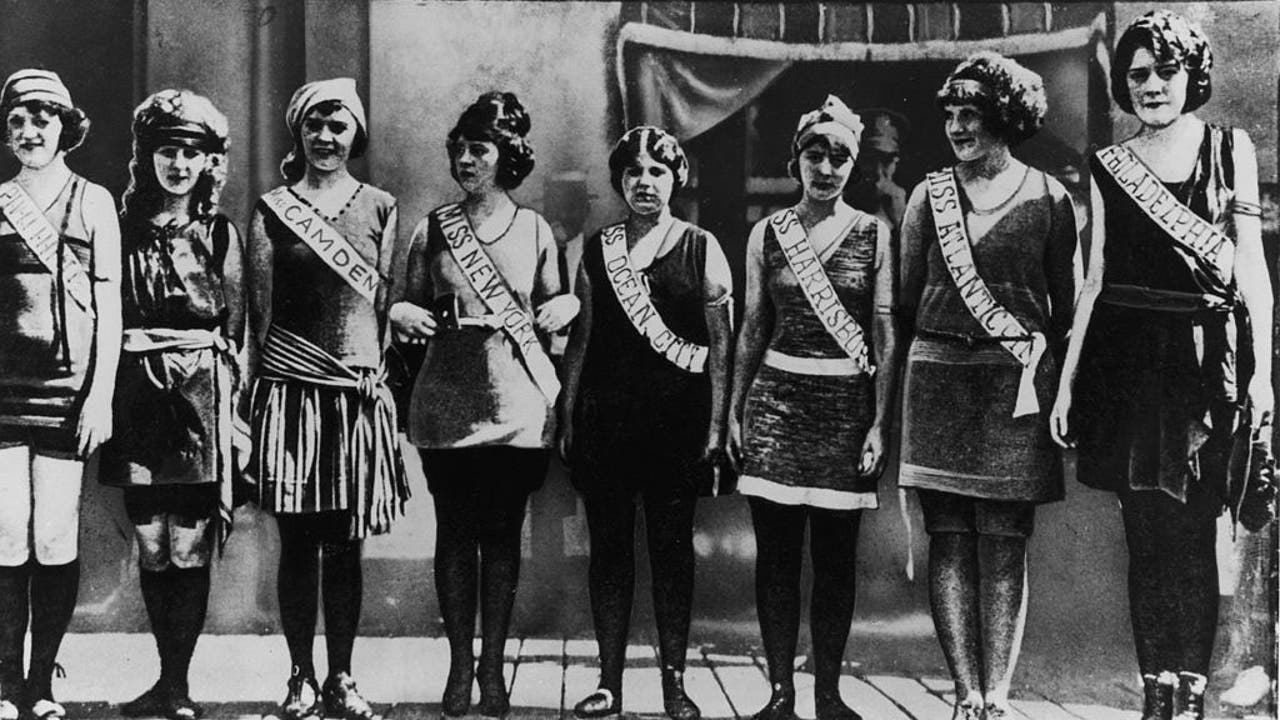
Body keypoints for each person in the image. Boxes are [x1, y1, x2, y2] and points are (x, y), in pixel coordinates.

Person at [1049, 11, 1273, 720]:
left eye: (1166, 71)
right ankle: (1156, 690)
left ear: (1191, 75)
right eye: (1138, 73)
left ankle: (1192, 690)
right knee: (1145, 537)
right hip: (1126, 364)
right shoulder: (1109, 165)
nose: (1151, 85)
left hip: (1204, 362)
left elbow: (1251, 269)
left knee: (1196, 533)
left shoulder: (1231, 149)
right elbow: (1094, 280)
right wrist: (1069, 380)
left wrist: (1263, 375)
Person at [896, 53, 1076, 720]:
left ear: (1005, 117)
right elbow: (908, 298)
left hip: (1015, 384)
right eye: (949, 114)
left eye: (970, 113)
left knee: (1004, 540)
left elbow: (1064, 309)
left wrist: (1054, 388)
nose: (957, 127)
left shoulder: (1050, 199)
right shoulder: (928, 197)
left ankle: (996, 694)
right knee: (948, 536)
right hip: (939, 377)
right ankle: (964, 692)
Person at [392, 91, 577, 718]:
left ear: (507, 156)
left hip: (516, 405)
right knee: (453, 535)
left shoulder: (535, 230)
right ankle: (459, 668)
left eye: (481, 149)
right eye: (460, 149)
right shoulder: (432, 228)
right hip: (447, 402)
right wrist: (403, 314)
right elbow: (405, 305)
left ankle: (493, 669)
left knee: (500, 538)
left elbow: (553, 313)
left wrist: (566, 306)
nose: (467, 160)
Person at [728, 95, 899, 720]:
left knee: (834, 563)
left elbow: (884, 333)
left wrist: (879, 422)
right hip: (776, 405)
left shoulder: (874, 233)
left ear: (854, 165)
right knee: (776, 560)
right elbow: (752, 325)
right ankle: (780, 695)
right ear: (795, 159)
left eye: (839, 157)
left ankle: (828, 694)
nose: (826, 168)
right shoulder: (767, 233)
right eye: (814, 155)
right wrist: (734, 410)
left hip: (845, 412)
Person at [245, 78, 409, 720]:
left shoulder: (381, 207)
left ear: (355, 135)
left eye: (338, 127)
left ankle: (341, 676)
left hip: (352, 398)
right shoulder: (271, 210)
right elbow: (258, 315)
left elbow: (385, 306)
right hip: (290, 393)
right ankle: (300, 678)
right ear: (298, 131)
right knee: (297, 543)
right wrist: (253, 397)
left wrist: (375, 371)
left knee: (344, 544)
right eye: (314, 125)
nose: (325, 137)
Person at [558, 126, 733, 720]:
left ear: (676, 179)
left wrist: (718, 425)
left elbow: (721, 346)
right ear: (619, 182)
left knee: (671, 553)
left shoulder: (701, 247)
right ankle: (609, 681)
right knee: (609, 552)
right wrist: (568, 413)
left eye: (657, 171)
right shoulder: (597, 249)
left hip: (676, 425)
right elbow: (581, 339)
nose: (645, 182)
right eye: (633, 172)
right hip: (606, 420)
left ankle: (674, 685)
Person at [97, 89, 241, 720]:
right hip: (136, 392)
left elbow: (237, 330)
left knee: (189, 543)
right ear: (147, 156)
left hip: (200, 396)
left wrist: (233, 416)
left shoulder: (219, 233)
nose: (178, 165)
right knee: (152, 542)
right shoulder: (120, 230)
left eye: (191, 153)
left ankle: (179, 686)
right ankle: (163, 681)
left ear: (208, 161)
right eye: (167, 151)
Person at [0, 69, 121, 720]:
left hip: (67, 393)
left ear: (65, 127)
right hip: (2, 394)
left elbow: (109, 308)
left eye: (43, 117)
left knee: (52, 536)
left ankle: (41, 683)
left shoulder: (93, 201)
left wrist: (100, 397)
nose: (30, 130)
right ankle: (5, 685)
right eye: (17, 119)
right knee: (4, 536)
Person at [846, 108, 909, 235]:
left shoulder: (896, 205)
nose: (878, 172)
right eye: (870, 158)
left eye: (887, 160)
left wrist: (901, 221)